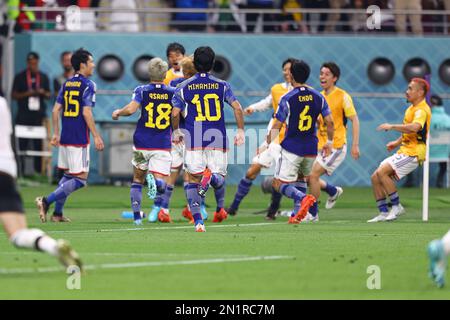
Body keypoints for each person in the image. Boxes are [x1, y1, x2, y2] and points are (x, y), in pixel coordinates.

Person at [0, 92, 82, 270]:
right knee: (17, 234)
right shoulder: (3, 104)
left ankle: (48, 204)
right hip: (6, 170)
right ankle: (53, 246)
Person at [171, 46, 245, 232]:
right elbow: (237, 107)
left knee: (193, 180)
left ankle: (198, 222)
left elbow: (175, 113)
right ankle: (211, 178)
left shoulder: (183, 86)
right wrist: (241, 130)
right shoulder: (222, 85)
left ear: (194, 63)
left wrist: (176, 131)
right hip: (217, 138)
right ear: (213, 63)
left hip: (195, 137)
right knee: (219, 177)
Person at [35, 48, 104, 223]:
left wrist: (56, 133)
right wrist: (96, 136)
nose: (93, 64)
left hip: (65, 136)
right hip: (79, 138)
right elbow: (87, 113)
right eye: (91, 61)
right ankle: (46, 201)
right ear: (83, 65)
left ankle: (57, 214)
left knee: (67, 177)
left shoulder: (66, 83)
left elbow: (55, 110)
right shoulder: (89, 85)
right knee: (80, 180)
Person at [226, 58, 297, 220]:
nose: (287, 73)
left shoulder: (300, 92)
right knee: (252, 171)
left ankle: (273, 210)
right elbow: (268, 102)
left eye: (290, 70)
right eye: (285, 69)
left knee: (279, 178)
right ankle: (234, 207)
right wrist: (252, 108)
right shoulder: (277, 89)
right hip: (272, 139)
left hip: (287, 142)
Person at [266, 60, 334, 224]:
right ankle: (300, 214)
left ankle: (303, 198)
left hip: (292, 148)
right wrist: (330, 141)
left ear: (291, 76)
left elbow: (277, 124)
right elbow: (329, 122)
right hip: (311, 148)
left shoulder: (287, 97)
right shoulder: (319, 96)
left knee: (277, 183)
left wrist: (267, 141)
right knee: (301, 179)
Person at [112, 57, 175, 225]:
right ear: (164, 74)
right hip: (162, 143)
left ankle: (137, 218)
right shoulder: (172, 92)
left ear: (149, 73)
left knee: (137, 180)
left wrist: (119, 111)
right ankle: (157, 183)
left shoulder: (141, 90)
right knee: (162, 180)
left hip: (141, 142)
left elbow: (131, 109)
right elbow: (177, 114)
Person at [368, 78, 431, 223]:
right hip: (405, 150)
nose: (407, 91)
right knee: (375, 177)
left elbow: (416, 127)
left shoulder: (421, 109)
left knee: (382, 172)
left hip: (415, 152)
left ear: (420, 92)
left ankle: (396, 206)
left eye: (410, 89)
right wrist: (396, 143)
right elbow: (409, 132)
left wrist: (391, 126)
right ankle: (383, 212)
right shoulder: (411, 108)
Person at [154, 56, 208, 223]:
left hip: (174, 134)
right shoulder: (197, 86)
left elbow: (172, 108)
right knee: (191, 175)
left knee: (172, 172)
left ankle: (164, 209)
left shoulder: (173, 84)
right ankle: (192, 209)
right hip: (190, 134)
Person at [307, 62, 360, 221]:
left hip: (336, 145)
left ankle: (313, 213)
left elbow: (354, 120)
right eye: (321, 73)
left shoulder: (343, 96)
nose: (322, 76)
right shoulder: (319, 96)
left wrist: (355, 145)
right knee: (307, 177)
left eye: (327, 74)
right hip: (320, 145)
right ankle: (332, 191)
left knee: (313, 175)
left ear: (335, 78)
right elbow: (318, 121)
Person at [12, 51, 51, 176]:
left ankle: (38, 173)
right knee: (21, 144)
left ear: (37, 62)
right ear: (27, 63)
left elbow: (49, 94)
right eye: (30, 63)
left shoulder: (43, 77)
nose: (32, 65)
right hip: (23, 115)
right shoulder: (20, 77)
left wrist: (42, 92)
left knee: (38, 145)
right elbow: (14, 95)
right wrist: (28, 93)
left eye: (34, 63)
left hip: (38, 115)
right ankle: (20, 172)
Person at [429, 94, 450, 188]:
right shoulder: (448, 119)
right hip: (444, 153)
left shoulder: (426, 118)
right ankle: (440, 181)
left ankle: (410, 181)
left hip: (426, 152)